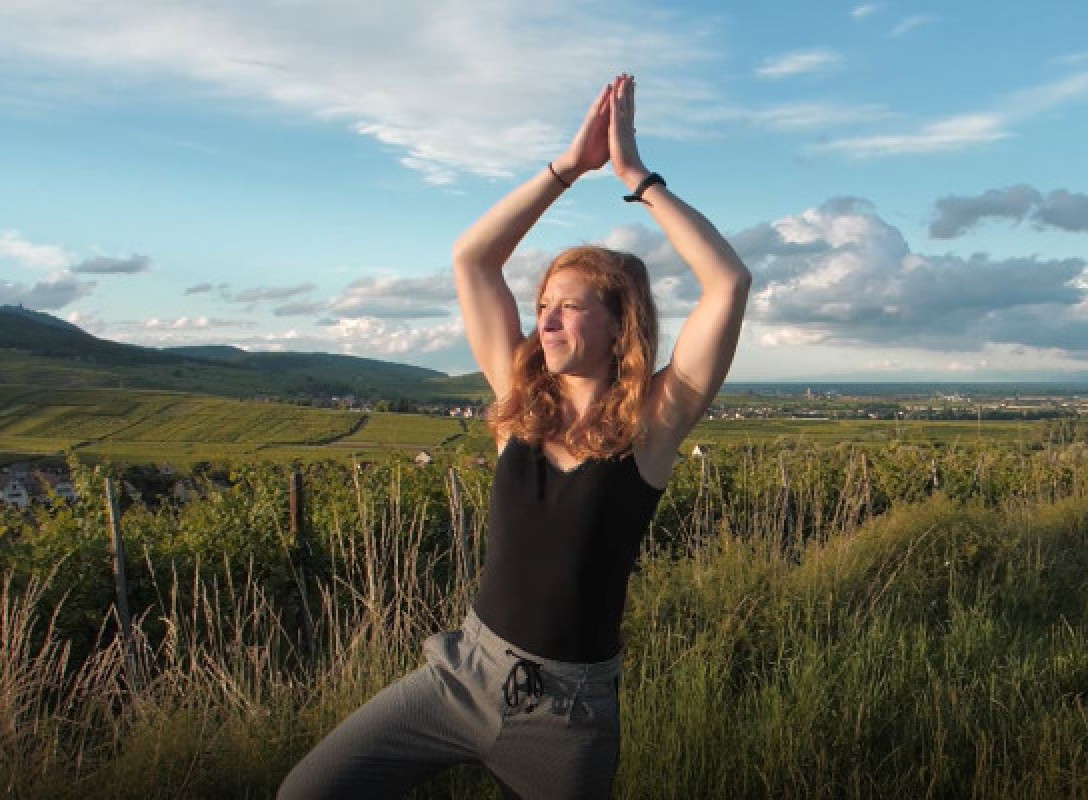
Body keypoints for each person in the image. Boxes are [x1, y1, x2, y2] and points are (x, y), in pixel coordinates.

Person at [277, 72, 751, 800]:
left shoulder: (651, 427)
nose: (547, 320)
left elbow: (727, 283)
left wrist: (635, 177)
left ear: (621, 324)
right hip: (463, 673)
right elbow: (472, 259)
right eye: (542, 306)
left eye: (570, 306)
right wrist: (567, 167)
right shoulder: (519, 402)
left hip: (567, 712)